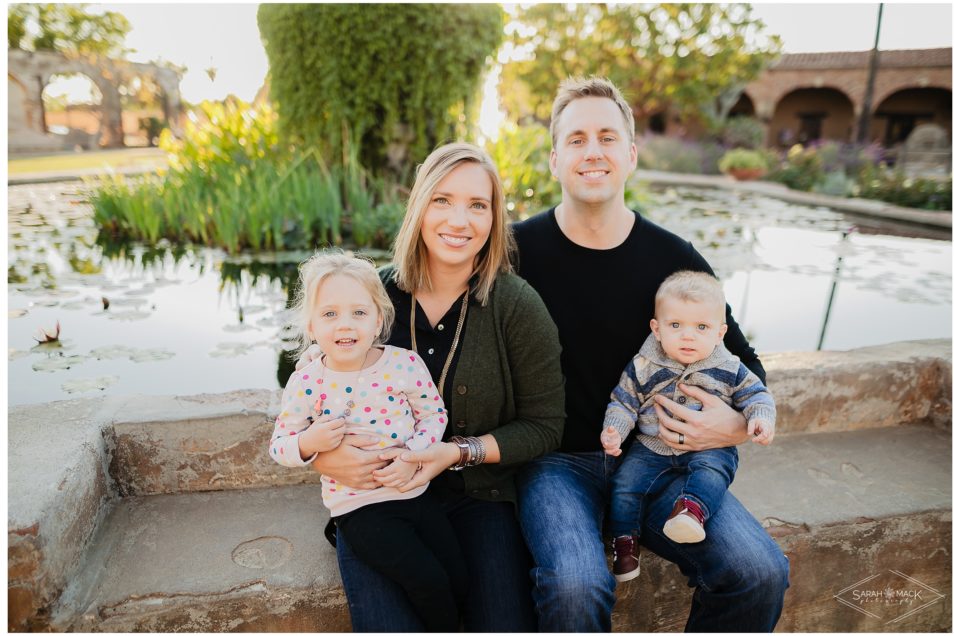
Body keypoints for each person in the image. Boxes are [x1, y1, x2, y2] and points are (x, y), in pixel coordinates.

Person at [511, 76, 790, 632]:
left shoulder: (673, 257)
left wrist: (734, 425)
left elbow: (744, 361)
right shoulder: (515, 250)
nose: (593, 151)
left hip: (659, 461)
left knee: (758, 570)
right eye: (577, 139)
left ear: (631, 155)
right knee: (575, 585)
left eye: (608, 138)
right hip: (553, 464)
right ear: (554, 159)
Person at [297, 142, 565, 631]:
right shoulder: (371, 297)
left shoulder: (515, 304)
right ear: (419, 206)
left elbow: (545, 426)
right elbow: (306, 382)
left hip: (478, 498)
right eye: (442, 200)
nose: (458, 220)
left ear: (494, 219)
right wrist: (322, 455)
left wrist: (455, 452)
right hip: (377, 498)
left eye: (477, 205)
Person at [269, 251, 468, 631]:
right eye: (329, 314)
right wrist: (310, 441)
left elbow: (433, 414)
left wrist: (414, 452)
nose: (345, 325)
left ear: (379, 319)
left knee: (457, 574)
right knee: (426, 579)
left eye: (359, 313)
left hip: (415, 491)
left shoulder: (404, 364)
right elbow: (280, 445)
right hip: (360, 508)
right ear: (311, 325)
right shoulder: (307, 382)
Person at [599, 270, 776, 583]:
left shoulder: (729, 367)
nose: (688, 336)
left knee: (712, 472)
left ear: (720, 333)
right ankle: (625, 542)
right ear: (657, 328)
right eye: (676, 325)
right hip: (651, 445)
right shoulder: (644, 365)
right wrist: (615, 430)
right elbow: (624, 401)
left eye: (701, 327)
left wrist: (760, 418)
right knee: (625, 483)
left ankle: (691, 511)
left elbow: (757, 395)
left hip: (708, 446)